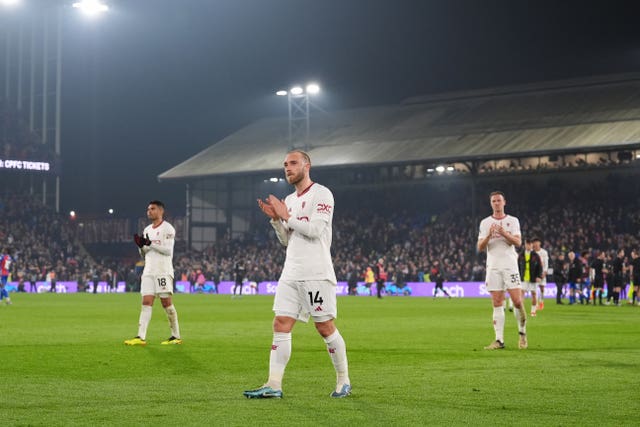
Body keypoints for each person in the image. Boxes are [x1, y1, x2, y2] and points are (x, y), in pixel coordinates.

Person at [245, 150, 351, 399]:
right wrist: (275, 221)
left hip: (315, 272)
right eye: (285, 164)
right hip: (290, 272)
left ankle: (343, 380)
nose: (287, 168)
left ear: (307, 165)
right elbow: (286, 240)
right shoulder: (288, 199)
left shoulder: (322, 193)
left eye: (293, 163)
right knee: (280, 324)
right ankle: (274, 384)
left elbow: (315, 230)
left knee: (324, 327)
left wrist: (286, 216)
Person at [124, 200, 182, 346]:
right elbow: (144, 255)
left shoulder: (168, 228)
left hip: (163, 270)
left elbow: (168, 250)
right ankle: (140, 337)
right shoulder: (147, 230)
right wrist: (140, 246)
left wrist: (150, 244)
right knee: (146, 302)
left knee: (166, 303)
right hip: (148, 270)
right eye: (148, 209)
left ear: (161, 211)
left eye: (153, 209)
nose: (149, 211)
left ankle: (176, 336)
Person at [477, 191, 527, 350]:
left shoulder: (512, 221)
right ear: (491, 203)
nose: (496, 203)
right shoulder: (485, 223)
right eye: (493, 201)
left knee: (517, 301)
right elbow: (480, 247)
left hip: (510, 265)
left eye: (499, 200)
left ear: (504, 202)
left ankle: (522, 333)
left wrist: (504, 233)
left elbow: (518, 242)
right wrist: (489, 235)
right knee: (497, 302)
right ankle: (499, 340)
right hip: (493, 266)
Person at [517, 239, 543, 316]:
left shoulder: (536, 255)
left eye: (529, 244)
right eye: (527, 244)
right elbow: (517, 266)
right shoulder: (521, 255)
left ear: (532, 245)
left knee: (534, 294)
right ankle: (522, 311)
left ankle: (533, 311)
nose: (528, 245)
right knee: (522, 294)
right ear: (525, 245)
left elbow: (540, 267)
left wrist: (539, 276)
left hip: (533, 278)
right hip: (523, 277)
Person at [531, 238, 549, 311]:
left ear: (539, 243)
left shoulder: (544, 252)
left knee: (542, 288)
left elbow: (546, 263)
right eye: (534, 242)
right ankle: (536, 304)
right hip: (534, 273)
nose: (535, 244)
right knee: (534, 289)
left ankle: (541, 301)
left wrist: (544, 272)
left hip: (542, 272)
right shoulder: (532, 252)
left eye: (536, 242)